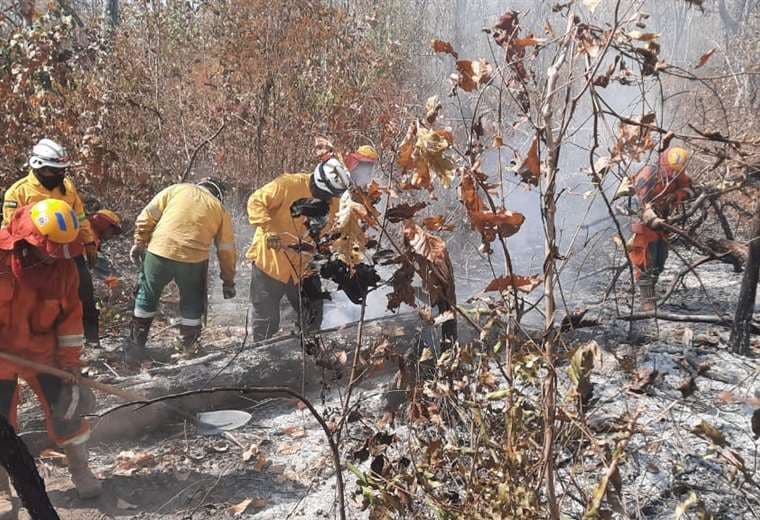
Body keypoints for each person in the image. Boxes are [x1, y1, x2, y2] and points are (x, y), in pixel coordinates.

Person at [0, 200, 102, 515]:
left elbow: (71, 318)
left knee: (68, 409)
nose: (53, 257)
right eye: (48, 249)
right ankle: (2, 487)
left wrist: (71, 364)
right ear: (24, 240)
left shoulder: (65, 269)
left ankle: (80, 468)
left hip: (43, 354)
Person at [247, 150, 376, 341]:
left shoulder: (335, 203)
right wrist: (269, 229)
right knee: (265, 318)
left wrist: (344, 265)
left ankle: (308, 353)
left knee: (313, 313)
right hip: (270, 262)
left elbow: (334, 236)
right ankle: (261, 355)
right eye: (322, 194)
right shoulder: (287, 184)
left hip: (304, 267)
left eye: (329, 195)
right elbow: (255, 201)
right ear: (317, 180)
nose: (325, 199)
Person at [125, 178, 237, 366]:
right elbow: (226, 250)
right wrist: (228, 281)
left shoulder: (175, 189)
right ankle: (187, 350)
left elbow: (146, 216)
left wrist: (139, 241)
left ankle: (136, 348)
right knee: (192, 303)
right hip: (193, 260)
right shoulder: (219, 208)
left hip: (159, 251)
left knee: (147, 295)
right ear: (218, 194)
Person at [2, 139, 101, 348]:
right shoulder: (18, 192)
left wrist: (89, 242)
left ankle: (93, 340)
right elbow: (11, 228)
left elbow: (80, 217)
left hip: (68, 248)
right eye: (51, 171)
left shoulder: (67, 187)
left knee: (84, 291)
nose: (57, 175)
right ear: (37, 166)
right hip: (36, 256)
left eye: (61, 170)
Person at [622, 146, 692, 311]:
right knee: (646, 259)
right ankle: (647, 301)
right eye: (670, 171)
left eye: (676, 172)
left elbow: (689, 190)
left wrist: (676, 196)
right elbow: (638, 201)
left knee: (660, 259)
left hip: (662, 223)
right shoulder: (649, 173)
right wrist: (650, 214)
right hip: (642, 223)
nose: (672, 175)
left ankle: (649, 288)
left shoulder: (678, 172)